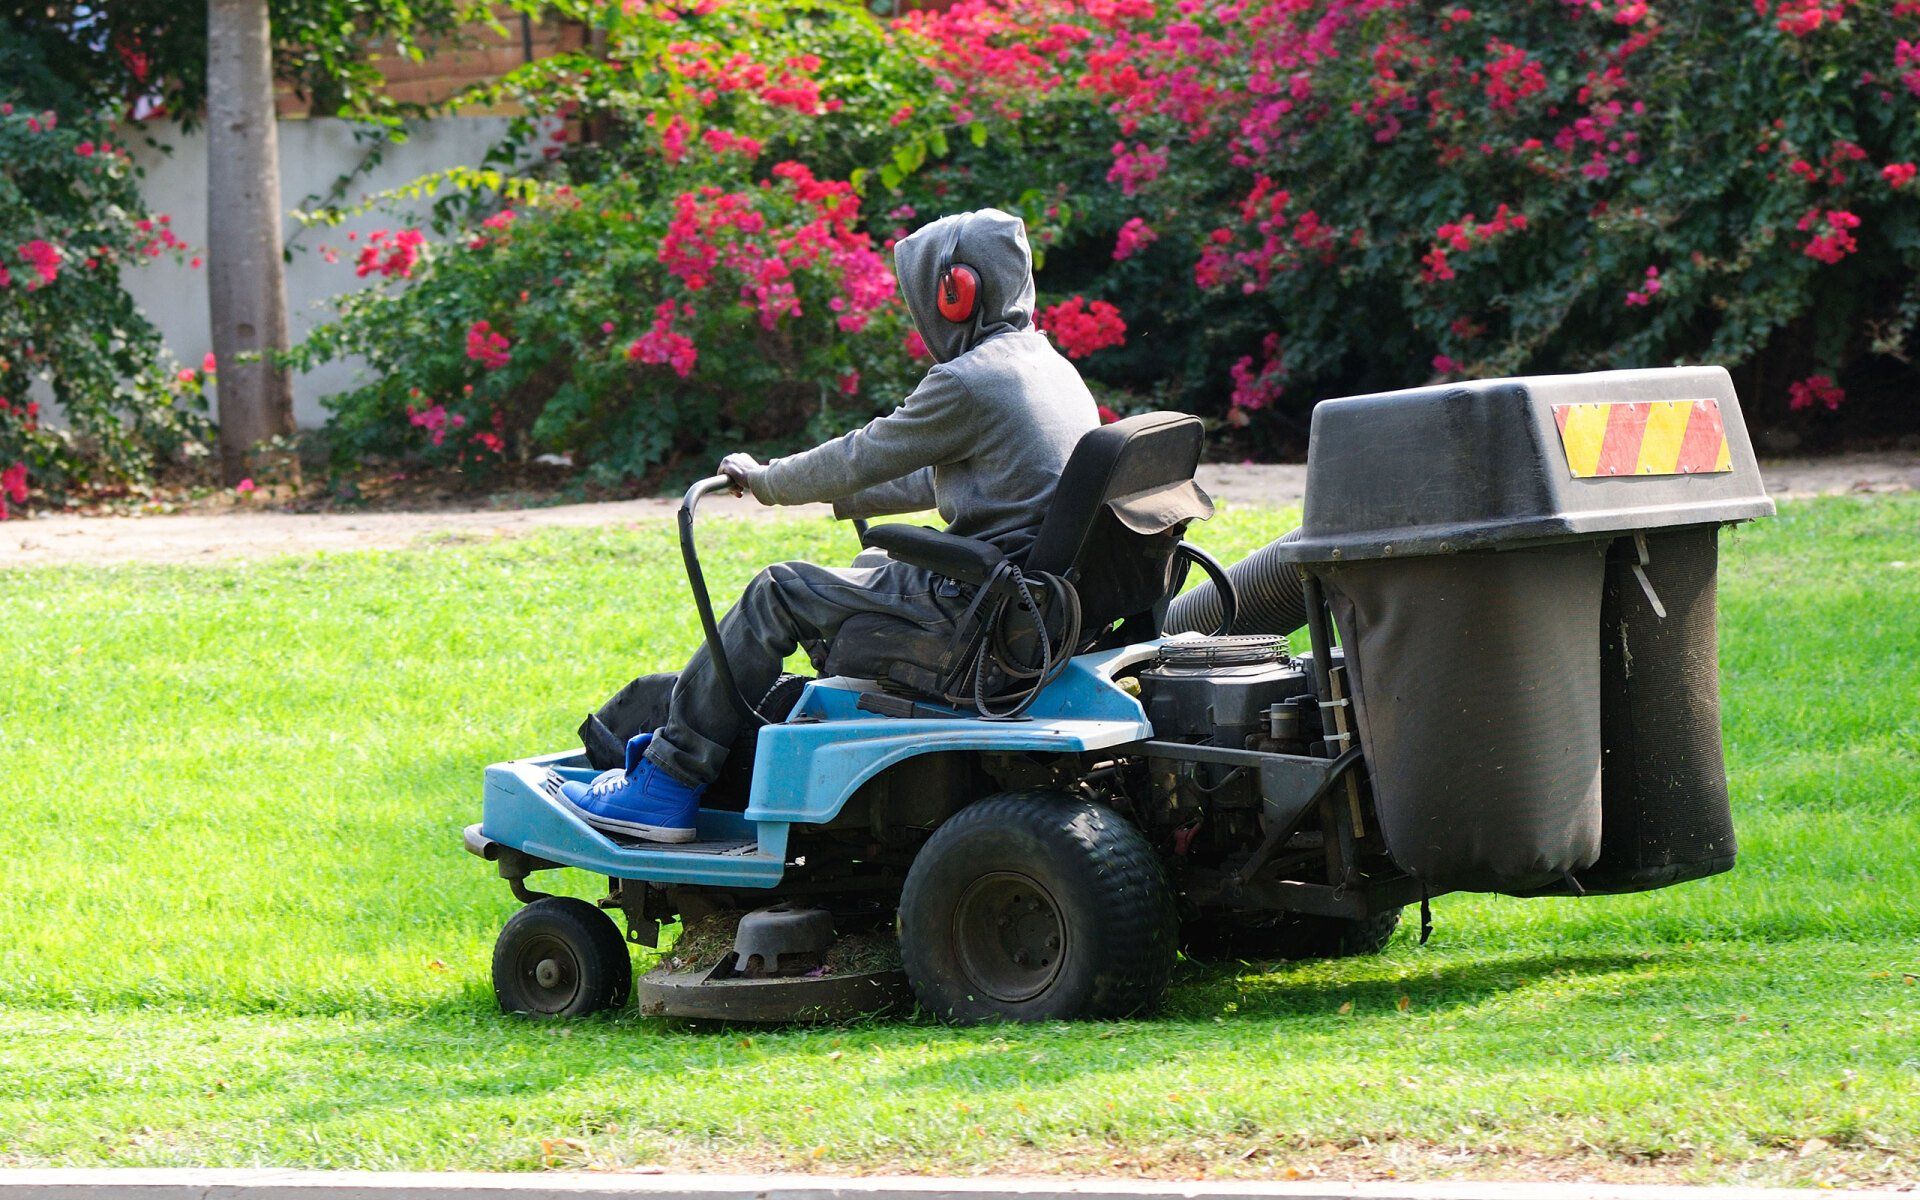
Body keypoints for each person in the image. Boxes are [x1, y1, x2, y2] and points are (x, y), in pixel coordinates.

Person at [560, 207, 1099, 842]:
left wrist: (766, 481)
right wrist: (844, 499)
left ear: (956, 293)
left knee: (776, 590)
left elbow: (859, 454)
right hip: (1030, 608)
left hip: (983, 617)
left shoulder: (969, 382)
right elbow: (957, 478)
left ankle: (667, 781)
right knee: (872, 567)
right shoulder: (1045, 366)